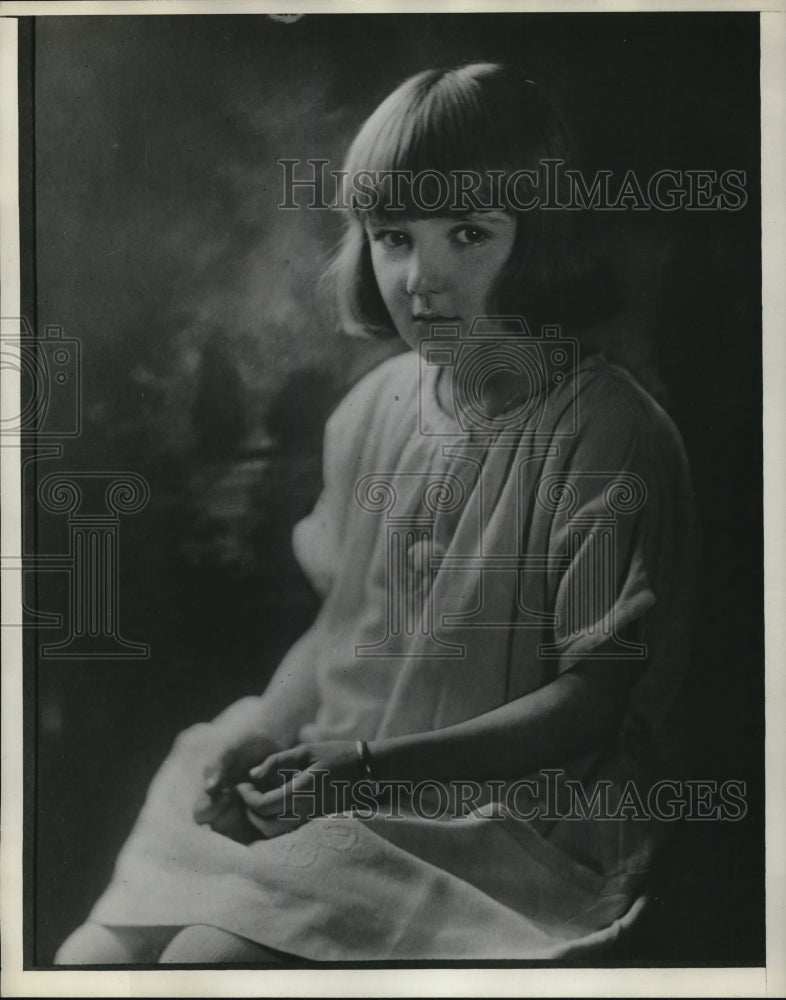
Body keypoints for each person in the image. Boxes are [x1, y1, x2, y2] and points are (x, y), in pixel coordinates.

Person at [56, 63, 696, 964]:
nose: (421, 278)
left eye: (468, 234)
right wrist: (266, 729)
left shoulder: (606, 433)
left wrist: (367, 771)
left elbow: (590, 703)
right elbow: (343, 626)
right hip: (346, 782)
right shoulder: (373, 412)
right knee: (94, 962)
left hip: (505, 818)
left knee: (206, 962)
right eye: (393, 238)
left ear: (542, 238)